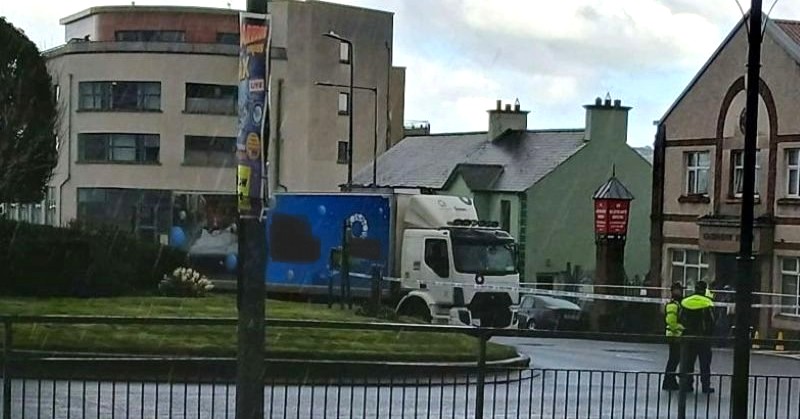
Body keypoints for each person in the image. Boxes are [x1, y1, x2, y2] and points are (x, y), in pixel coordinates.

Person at [680, 280, 716, 394]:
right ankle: (705, 386)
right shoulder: (707, 303)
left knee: (688, 362)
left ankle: (687, 384)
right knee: (705, 364)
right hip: (703, 338)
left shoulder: (686, 302)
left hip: (689, 337)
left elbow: (680, 318)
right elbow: (711, 321)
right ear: (704, 289)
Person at [662, 281, 685, 391]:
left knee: (674, 360)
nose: (679, 292)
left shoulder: (677, 304)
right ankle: (668, 382)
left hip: (675, 335)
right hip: (674, 336)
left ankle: (670, 381)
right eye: (677, 290)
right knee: (673, 360)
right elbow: (671, 322)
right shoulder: (673, 305)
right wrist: (682, 329)